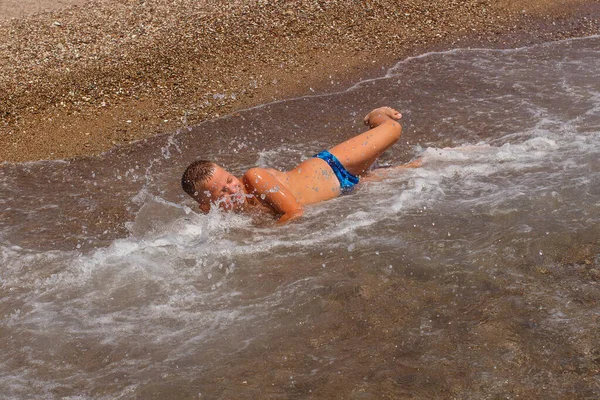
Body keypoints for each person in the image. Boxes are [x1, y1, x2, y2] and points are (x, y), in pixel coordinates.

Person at [181, 106, 421, 223]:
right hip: (348, 189)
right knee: (421, 168)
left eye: (230, 180)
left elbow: (295, 212)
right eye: (221, 191)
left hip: (335, 167)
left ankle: (376, 115)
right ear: (206, 206)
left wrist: (265, 242)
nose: (233, 189)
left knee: (393, 129)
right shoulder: (225, 216)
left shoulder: (255, 178)